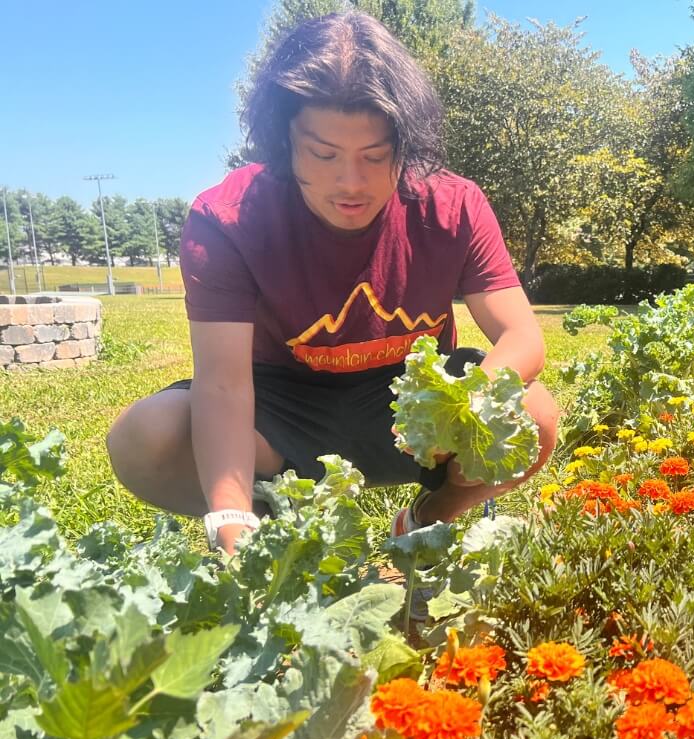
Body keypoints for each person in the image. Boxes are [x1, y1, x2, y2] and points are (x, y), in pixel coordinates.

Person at [106, 11, 558, 555]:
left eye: (375, 156)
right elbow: (223, 385)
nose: (350, 182)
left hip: (411, 409)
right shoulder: (227, 219)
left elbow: (522, 338)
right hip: (280, 410)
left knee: (535, 416)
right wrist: (228, 517)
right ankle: (276, 536)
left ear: (406, 145)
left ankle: (423, 520)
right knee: (145, 436)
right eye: (323, 154)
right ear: (284, 141)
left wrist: (460, 407)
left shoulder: (453, 205)